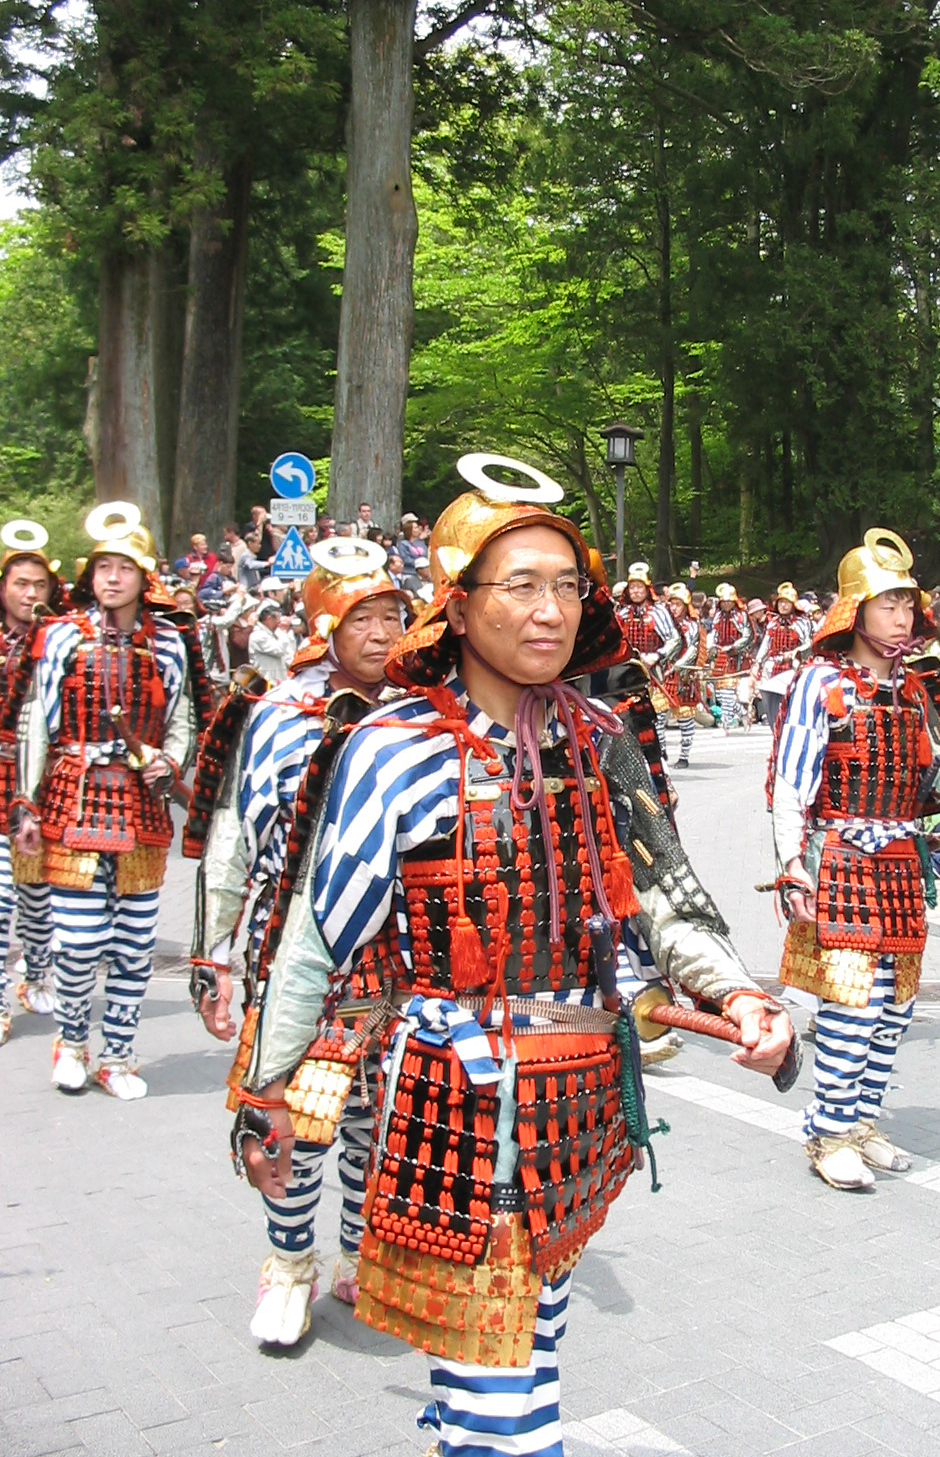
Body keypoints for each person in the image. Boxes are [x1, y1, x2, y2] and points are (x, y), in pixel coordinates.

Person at [233, 457, 797, 1456]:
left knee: (528, 1345)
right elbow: (321, 934)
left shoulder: (602, 732)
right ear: (457, 606)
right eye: (522, 585)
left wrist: (739, 990)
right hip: (461, 1100)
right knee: (513, 1407)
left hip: (580, 1105)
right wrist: (269, 1088)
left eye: (568, 584)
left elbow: (665, 892)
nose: (551, 610)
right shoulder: (394, 744)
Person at [190, 539, 405, 1345]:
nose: (384, 631)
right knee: (297, 1126)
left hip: (401, 962)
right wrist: (213, 952)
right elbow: (234, 840)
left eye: (393, 615)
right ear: (326, 623)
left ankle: (359, 1258)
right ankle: (287, 1267)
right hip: (299, 958)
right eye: (365, 616)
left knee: (374, 1125)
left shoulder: (421, 712)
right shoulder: (279, 715)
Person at [770, 528, 940, 1190]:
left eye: (907, 603)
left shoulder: (914, 687)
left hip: (902, 859)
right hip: (839, 857)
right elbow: (793, 784)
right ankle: (828, 1130)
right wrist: (792, 864)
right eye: (889, 603)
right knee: (851, 1006)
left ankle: (863, 1120)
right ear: (856, 611)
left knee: (895, 1007)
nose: (902, 616)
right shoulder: (819, 684)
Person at [12, 504, 203, 1097]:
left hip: (141, 808)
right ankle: (72, 1041)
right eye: (104, 567)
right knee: (78, 941)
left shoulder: (170, 642)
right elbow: (35, 723)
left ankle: (118, 1053)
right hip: (74, 799)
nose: (113, 577)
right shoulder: (62, 635)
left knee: (134, 944)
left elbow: (184, 718)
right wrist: (26, 803)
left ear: (144, 577)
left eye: (125, 567)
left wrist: (170, 761)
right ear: (90, 575)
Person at [0, 520, 61, 1044]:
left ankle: (38, 973)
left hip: (42, 781)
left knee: (39, 894)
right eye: (21, 584)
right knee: (0, 897)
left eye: (39, 585)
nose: (30, 594)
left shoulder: (59, 639)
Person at [613, 562, 681, 759]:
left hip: (653, 670)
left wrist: (657, 655)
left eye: (639, 587)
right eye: (632, 587)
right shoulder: (622, 613)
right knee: (627, 713)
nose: (635, 592)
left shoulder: (659, 612)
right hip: (628, 670)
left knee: (657, 714)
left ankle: (659, 751)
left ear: (646, 589)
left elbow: (674, 639)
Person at [660, 582, 706, 768]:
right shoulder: (665, 623)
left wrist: (678, 666)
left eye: (677, 604)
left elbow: (693, 649)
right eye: (671, 604)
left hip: (684, 675)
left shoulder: (692, 626)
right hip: (664, 674)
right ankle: (661, 752)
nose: (674, 608)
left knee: (684, 717)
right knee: (658, 715)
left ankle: (684, 755)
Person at [751, 582, 808, 732]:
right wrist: (757, 662)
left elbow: (809, 644)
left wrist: (795, 652)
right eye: (781, 602)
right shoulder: (772, 623)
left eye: (786, 603)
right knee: (771, 698)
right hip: (772, 666)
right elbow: (766, 644)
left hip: (793, 667)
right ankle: (774, 724)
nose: (783, 606)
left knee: (791, 698)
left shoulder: (801, 623)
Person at [710, 582, 752, 731]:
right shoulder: (717, 617)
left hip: (736, 657)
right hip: (721, 656)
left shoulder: (741, 616)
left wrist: (734, 647)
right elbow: (714, 633)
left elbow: (747, 635)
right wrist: (712, 647)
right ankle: (743, 713)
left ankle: (725, 724)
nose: (726, 604)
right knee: (721, 694)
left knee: (727, 691)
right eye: (724, 602)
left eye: (729, 601)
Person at [248, 601, 297, 682]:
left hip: (279, 679)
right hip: (266, 682)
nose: (279, 623)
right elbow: (279, 650)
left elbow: (289, 651)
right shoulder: (258, 636)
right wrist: (283, 631)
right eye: (277, 619)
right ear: (269, 618)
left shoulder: (274, 633)